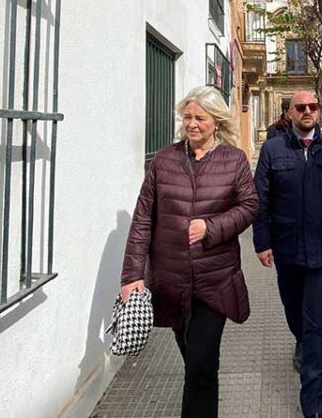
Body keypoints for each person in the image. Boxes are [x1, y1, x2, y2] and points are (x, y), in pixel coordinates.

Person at [120, 86, 258, 418]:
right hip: (171, 282)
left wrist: (212, 228)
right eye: (187, 117)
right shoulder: (165, 159)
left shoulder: (233, 159)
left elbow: (250, 206)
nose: (192, 124)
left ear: (216, 122)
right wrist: (132, 276)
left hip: (215, 282)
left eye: (200, 118)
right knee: (196, 364)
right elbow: (142, 220)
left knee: (199, 364)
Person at [253, 90, 322, 418]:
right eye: (300, 107)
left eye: (312, 106)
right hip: (287, 249)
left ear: (317, 111)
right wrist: (262, 242)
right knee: (293, 312)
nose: (307, 111)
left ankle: (313, 401)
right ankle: (300, 340)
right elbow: (261, 200)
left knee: (317, 322)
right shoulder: (273, 149)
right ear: (289, 113)